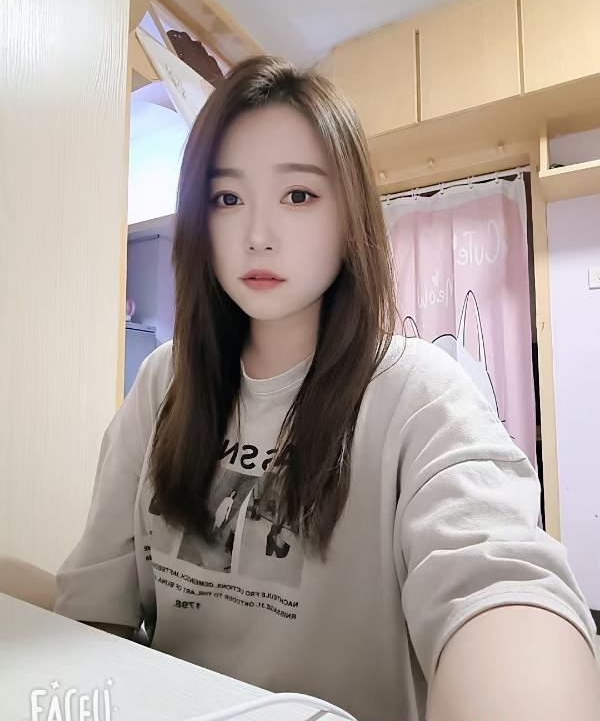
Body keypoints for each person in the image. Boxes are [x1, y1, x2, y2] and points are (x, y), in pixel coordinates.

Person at [53, 56, 600, 721]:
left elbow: (499, 579)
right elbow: (95, 612)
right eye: (227, 199)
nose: (257, 236)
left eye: (298, 196)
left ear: (350, 220)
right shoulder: (163, 381)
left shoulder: (417, 393)